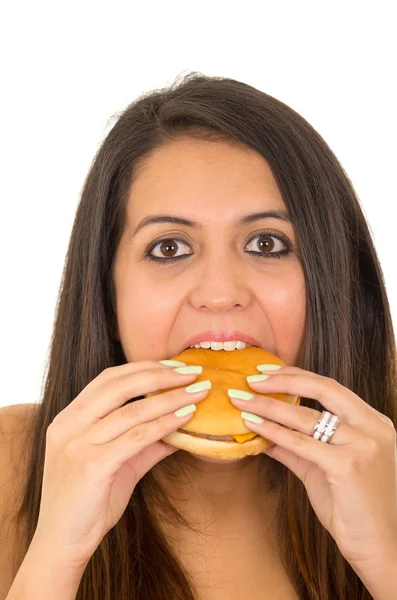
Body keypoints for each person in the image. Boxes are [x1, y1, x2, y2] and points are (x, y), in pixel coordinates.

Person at [2, 72, 396, 600]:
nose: (219, 292)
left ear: (331, 271)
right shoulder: (11, 459)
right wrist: (56, 554)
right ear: (107, 286)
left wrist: (385, 555)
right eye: (170, 248)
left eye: (266, 243)